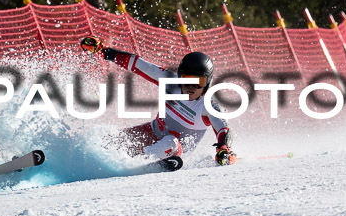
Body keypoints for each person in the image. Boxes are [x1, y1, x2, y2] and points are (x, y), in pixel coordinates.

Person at [80, 36, 236, 170]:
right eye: (187, 80)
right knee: (107, 142)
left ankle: (132, 164)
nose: (191, 87)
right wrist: (103, 51)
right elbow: (137, 64)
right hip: (151, 132)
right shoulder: (169, 81)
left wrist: (223, 149)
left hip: (175, 150)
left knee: (170, 142)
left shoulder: (209, 105)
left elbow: (224, 130)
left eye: (199, 82)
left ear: (208, 83)